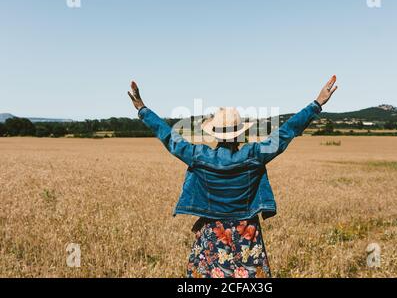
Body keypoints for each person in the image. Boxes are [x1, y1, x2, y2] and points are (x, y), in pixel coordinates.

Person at [128, 76, 338, 278]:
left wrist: (142, 109)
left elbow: (168, 136)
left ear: (215, 133)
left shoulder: (198, 156)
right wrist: (317, 103)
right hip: (247, 232)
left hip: (212, 233)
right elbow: (286, 132)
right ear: (239, 133)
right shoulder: (255, 155)